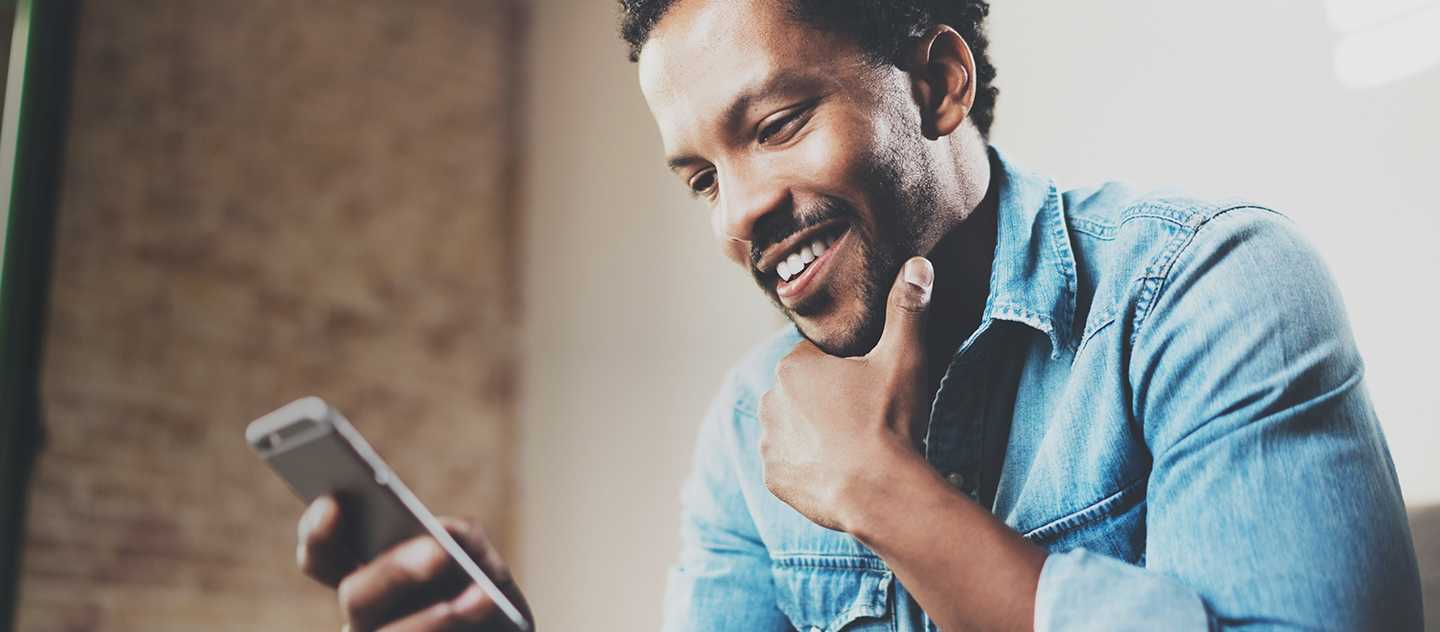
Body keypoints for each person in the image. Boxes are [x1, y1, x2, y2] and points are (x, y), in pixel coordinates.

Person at [295, 1, 1426, 630]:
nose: (739, 218)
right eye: (700, 176)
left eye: (777, 124)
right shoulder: (750, 433)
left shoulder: (1211, 290)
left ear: (938, 82)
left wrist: (888, 497)